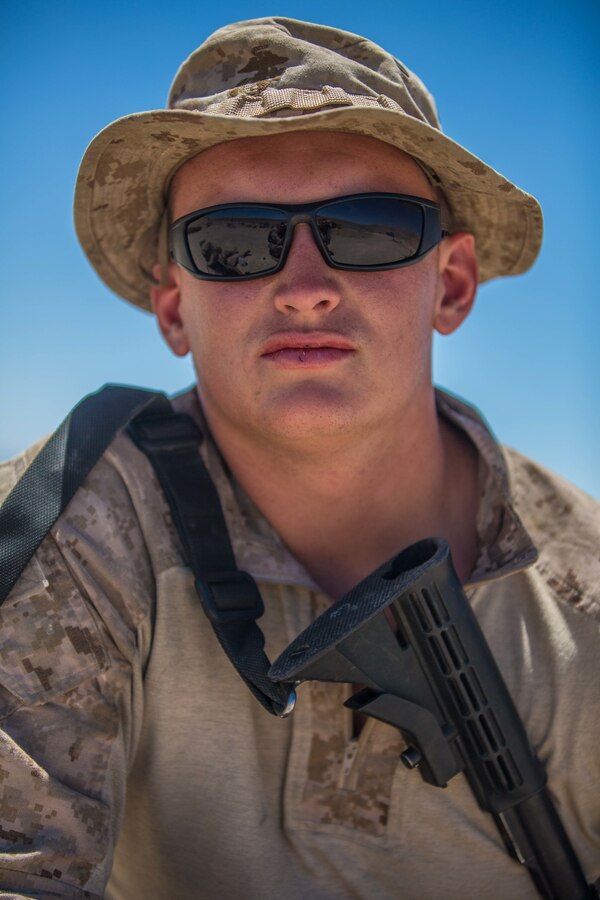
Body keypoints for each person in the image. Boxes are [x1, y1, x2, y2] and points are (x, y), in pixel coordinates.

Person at [0, 16, 598, 900]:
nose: (308, 287)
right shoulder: (68, 519)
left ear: (454, 283)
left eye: (371, 228)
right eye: (235, 242)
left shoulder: (580, 608)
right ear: (173, 308)